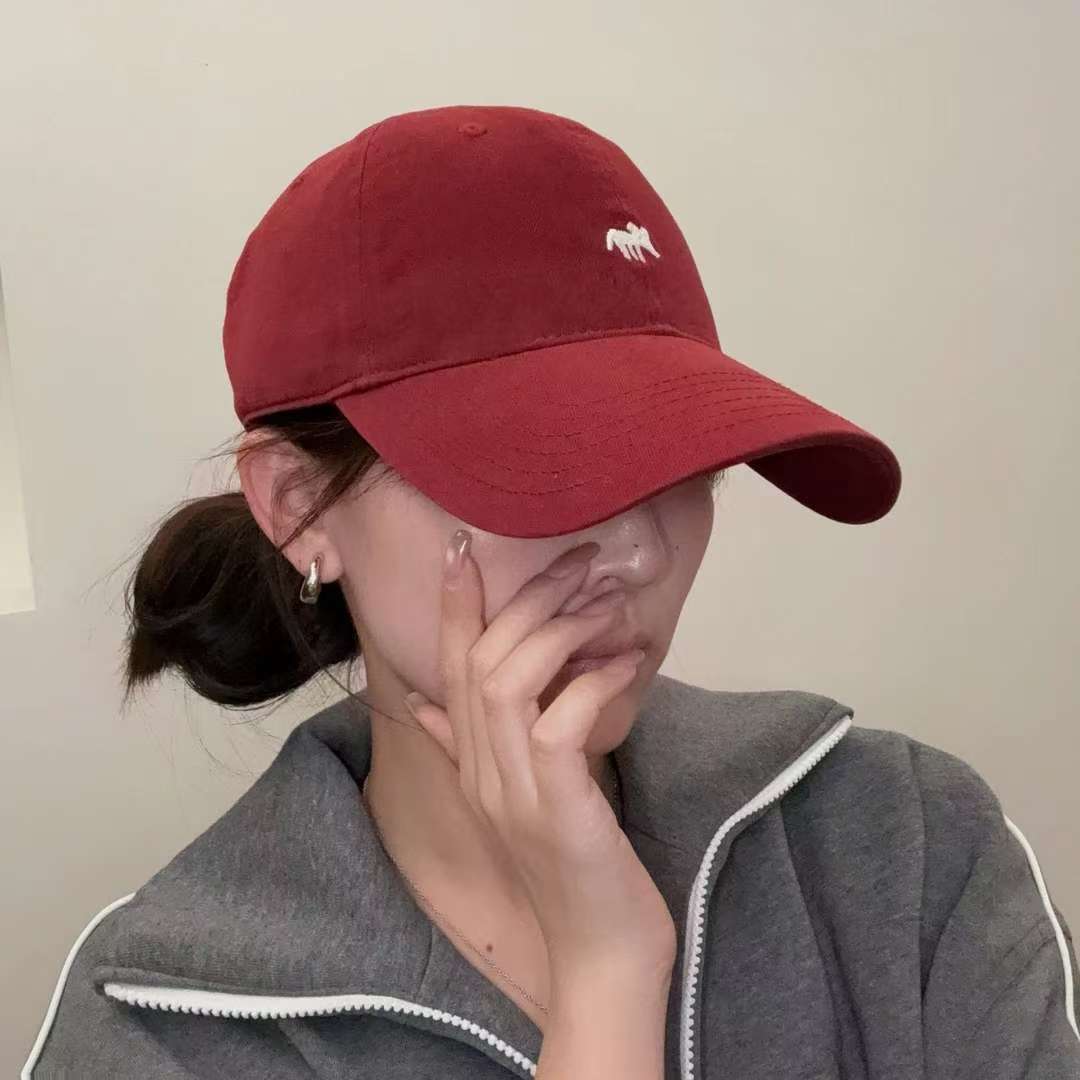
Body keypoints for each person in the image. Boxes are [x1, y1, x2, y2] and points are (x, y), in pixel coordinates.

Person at [22, 104, 1078, 1080]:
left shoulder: (903, 847)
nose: (643, 553)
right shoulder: (159, 1027)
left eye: (687, 461)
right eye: (542, 467)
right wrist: (607, 979)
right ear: (299, 507)